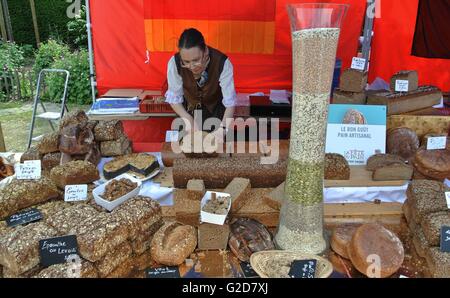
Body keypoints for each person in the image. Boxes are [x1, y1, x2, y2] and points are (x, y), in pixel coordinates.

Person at [165, 28, 236, 139]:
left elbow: (230, 103)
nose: (192, 66)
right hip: (188, 112)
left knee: (215, 151)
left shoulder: (222, 63)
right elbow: (174, 97)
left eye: (196, 60)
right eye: (186, 62)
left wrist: (222, 130)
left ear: (205, 51)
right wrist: (187, 118)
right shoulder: (174, 63)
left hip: (216, 115)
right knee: (186, 151)